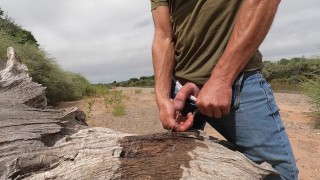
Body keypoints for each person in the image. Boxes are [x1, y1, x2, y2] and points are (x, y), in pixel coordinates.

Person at [150, 0, 298, 179]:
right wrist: (162, 96)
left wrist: (222, 79)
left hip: (237, 84)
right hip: (180, 94)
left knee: (277, 174)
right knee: (179, 167)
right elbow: (164, 35)